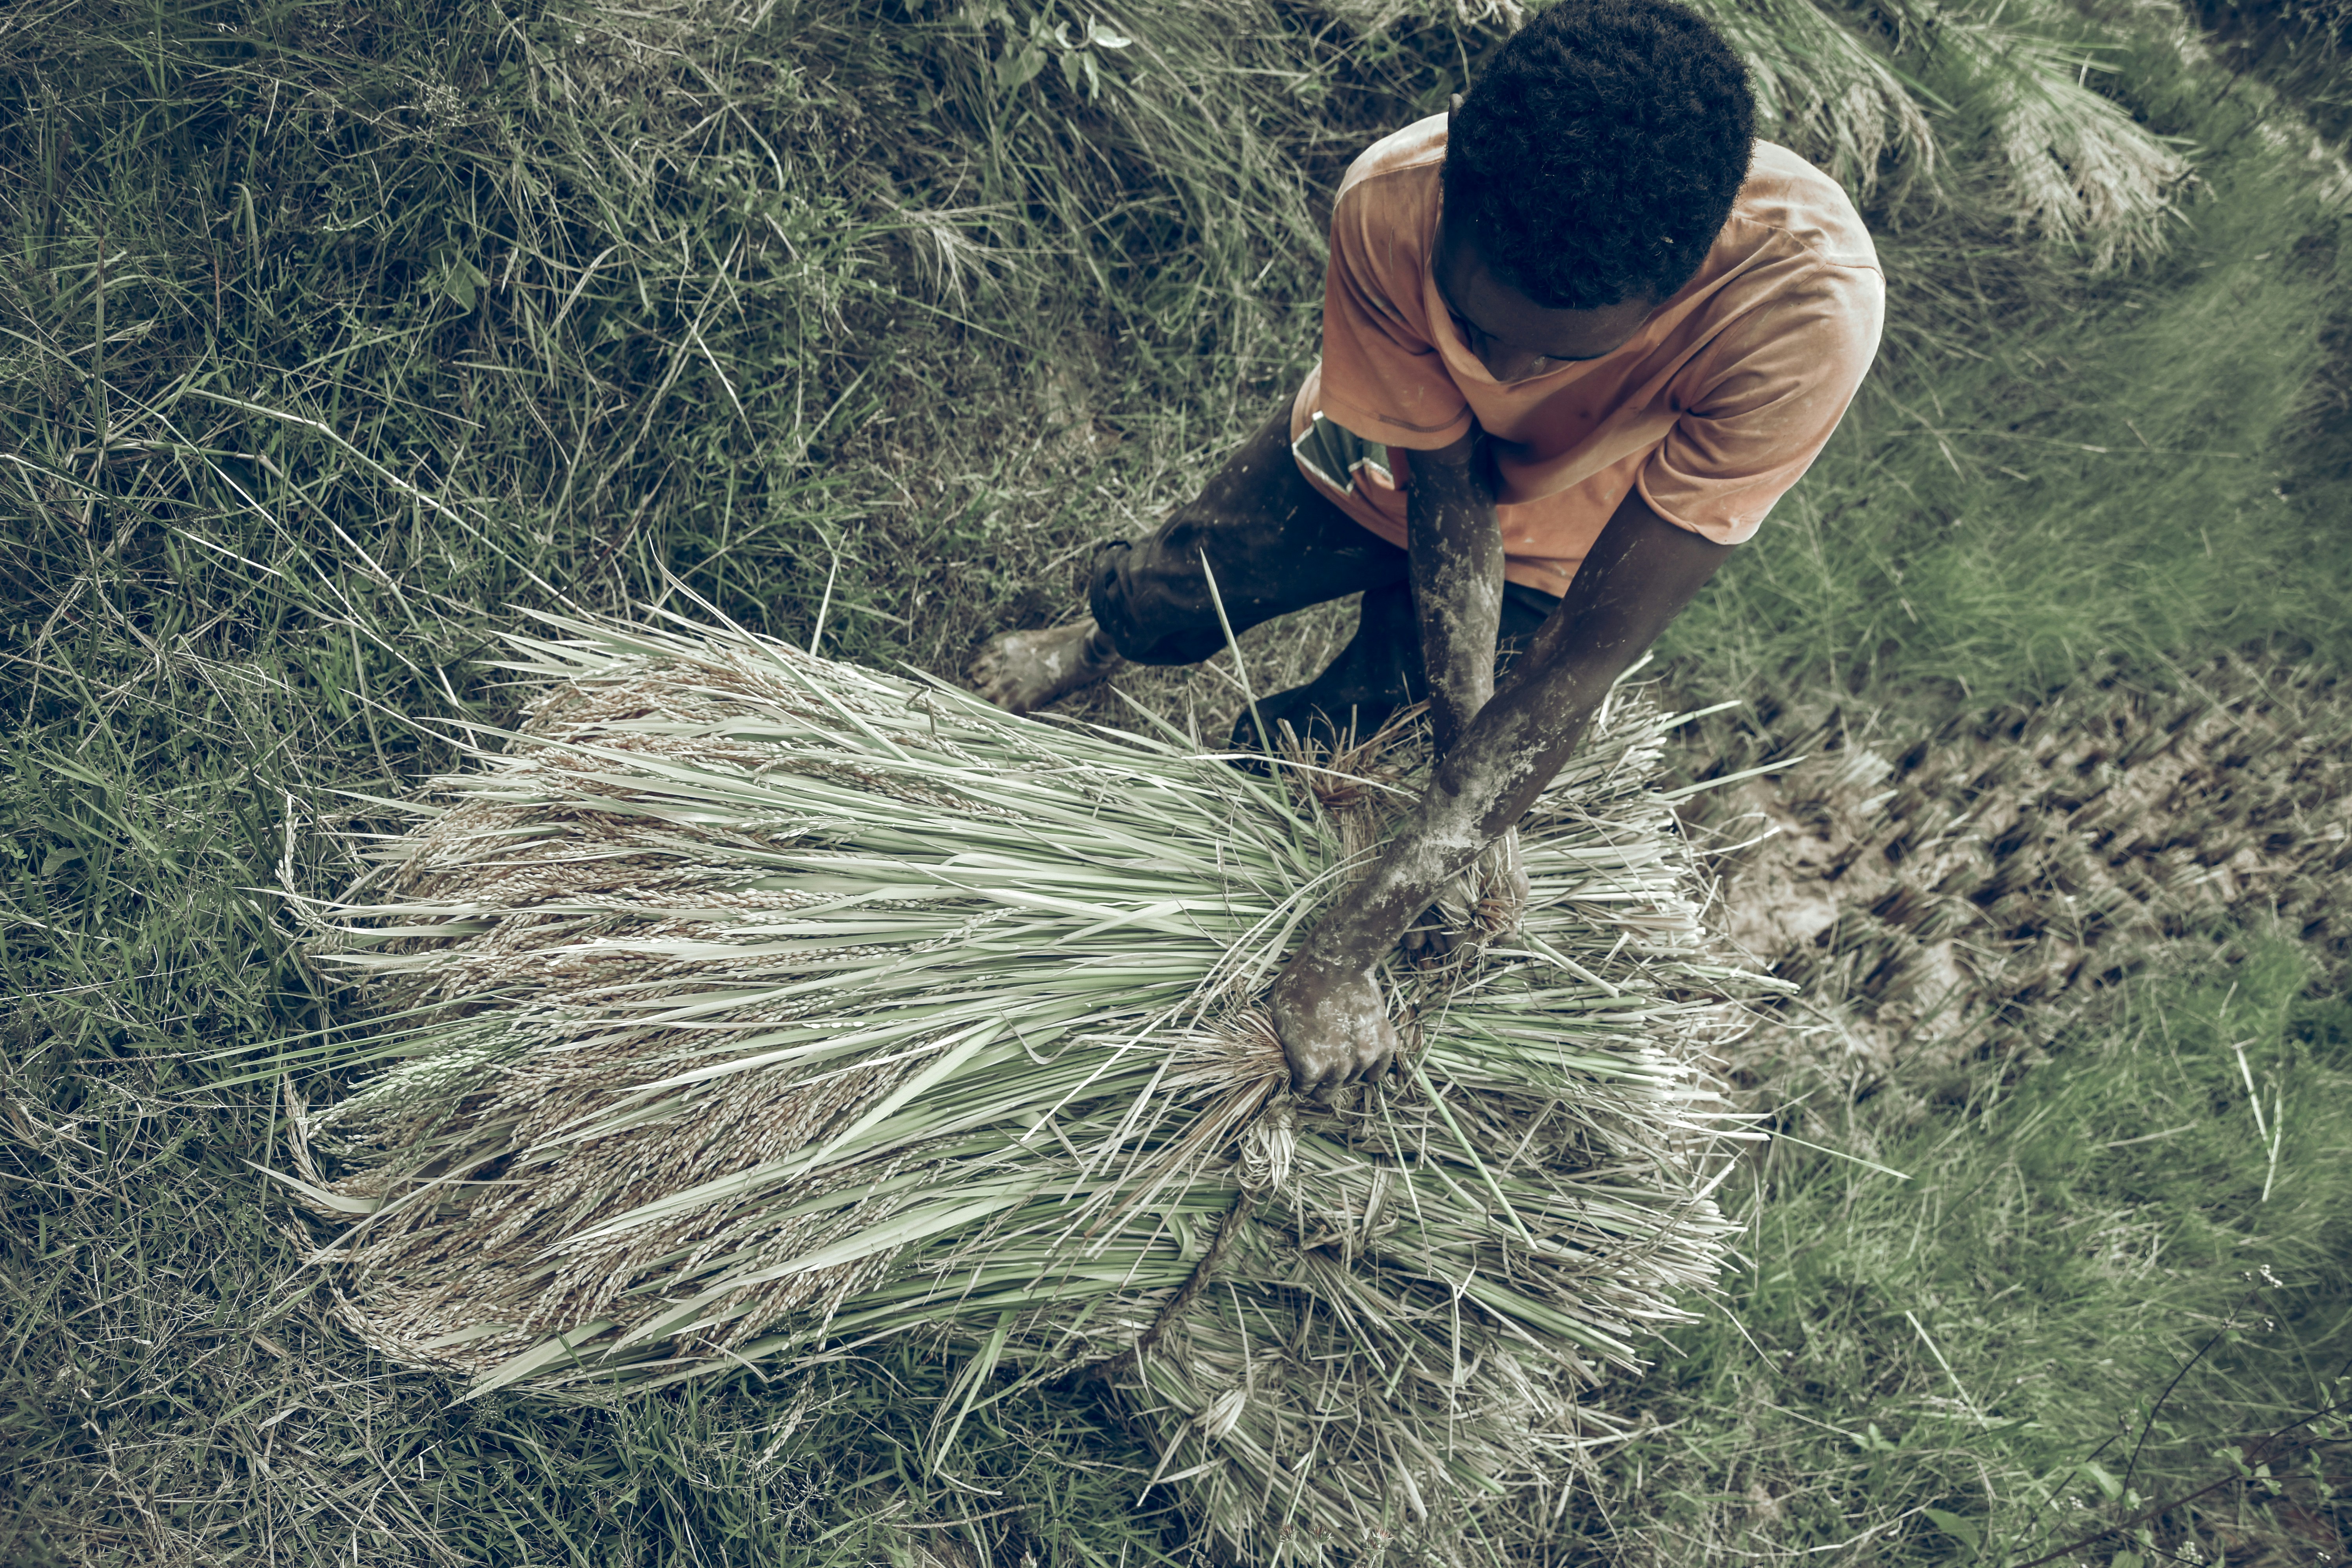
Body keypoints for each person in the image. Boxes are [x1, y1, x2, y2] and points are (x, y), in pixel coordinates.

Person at [970, 0, 1883, 1101]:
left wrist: (1375, 911)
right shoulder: (1393, 198)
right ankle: (1098, 638)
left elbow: (1584, 660)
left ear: (1677, 285)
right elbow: (1448, 495)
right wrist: (1460, 754)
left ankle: (1220, 824)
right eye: (1476, 322)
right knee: (1183, 587)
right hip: (1387, 450)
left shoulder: (1800, 317)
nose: (1502, 367)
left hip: (1569, 535)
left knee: (1336, 746)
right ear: (1454, 198)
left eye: (1553, 351)